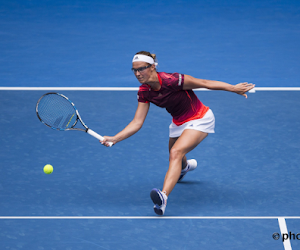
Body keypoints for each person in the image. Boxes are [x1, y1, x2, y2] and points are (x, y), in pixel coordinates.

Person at [101, 51, 255, 215]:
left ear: (153, 67)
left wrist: (233, 88)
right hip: (178, 122)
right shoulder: (144, 91)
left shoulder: (172, 80)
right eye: (134, 70)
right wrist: (115, 138)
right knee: (175, 156)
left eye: (141, 69)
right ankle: (185, 167)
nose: (138, 74)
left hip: (200, 118)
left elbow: (204, 83)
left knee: (176, 151)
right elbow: (137, 122)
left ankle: (163, 198)